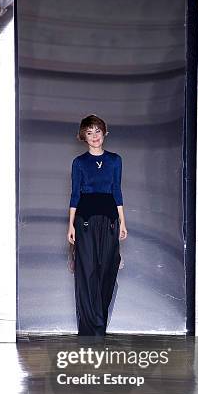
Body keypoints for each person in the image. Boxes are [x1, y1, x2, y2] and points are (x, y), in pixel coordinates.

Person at [68, 115, 127, 336]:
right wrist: (70, 225)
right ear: (83, 136)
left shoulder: (115, 160)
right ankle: (90, 327)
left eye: (98, 131)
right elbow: (75, 195)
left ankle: (99, 317)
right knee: (87, 270)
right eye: (89, 133)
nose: (94, 136)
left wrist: (122, 221)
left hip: (110, 219)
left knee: (108, 268)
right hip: (85, 219)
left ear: (105, 133)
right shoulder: (79, 163)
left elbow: (117, 190)